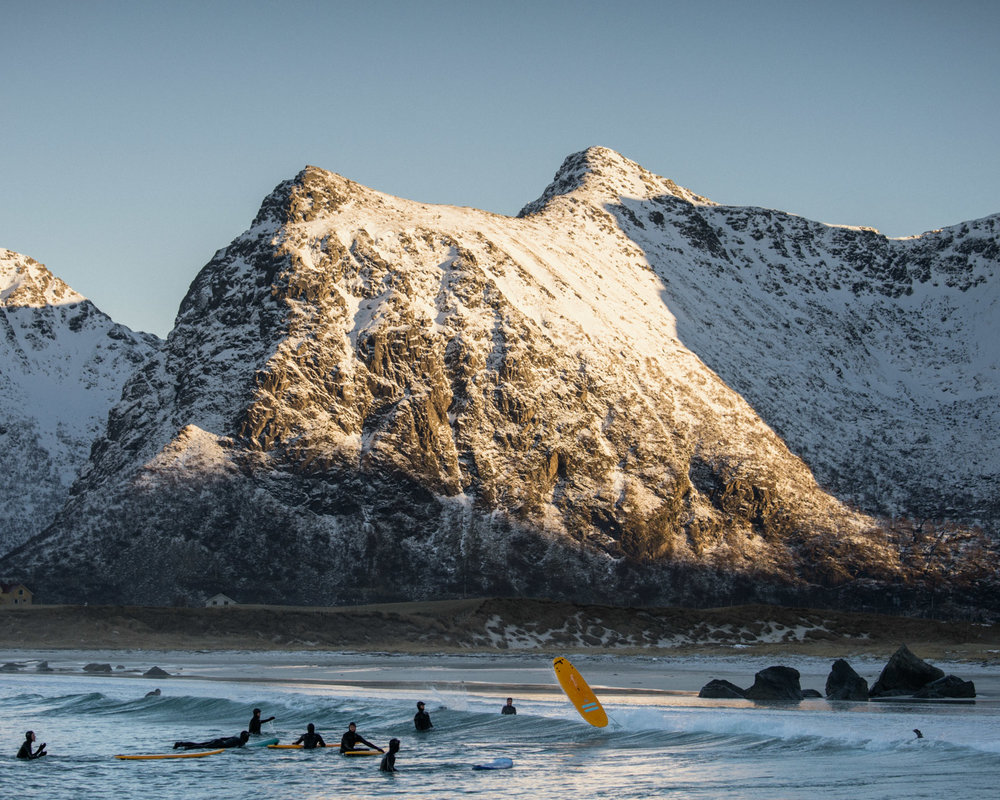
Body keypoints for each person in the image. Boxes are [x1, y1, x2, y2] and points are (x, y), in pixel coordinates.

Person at [173, 730, 250, 750]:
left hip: (218, 741)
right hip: (220, 744)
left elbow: (222, 738)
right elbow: (240, 748)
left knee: (200, 744)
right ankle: (188, 748)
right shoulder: (241, 742)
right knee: (203, 747)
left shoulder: (235, 737)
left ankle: (180, 744)